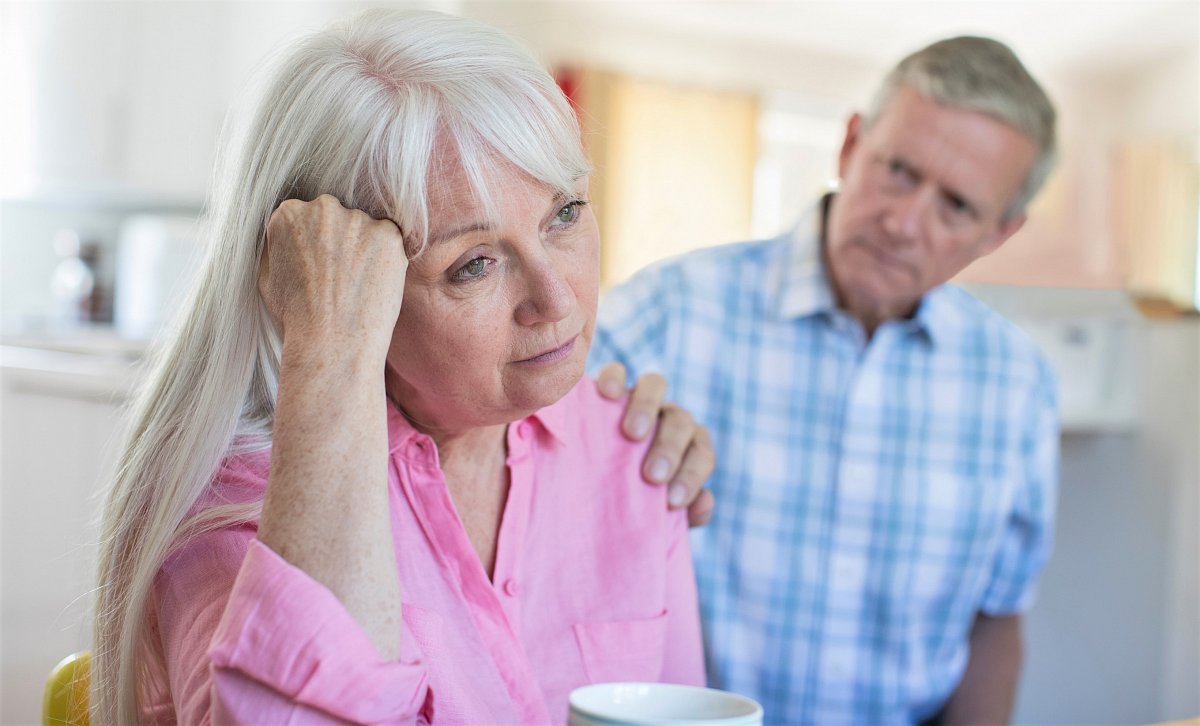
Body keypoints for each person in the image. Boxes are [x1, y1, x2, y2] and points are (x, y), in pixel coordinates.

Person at [92, 10, 713, 724]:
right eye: (473, 264)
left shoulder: (635, 451)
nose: (555, 296)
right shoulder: (240, 502)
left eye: (564, 213)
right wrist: (327, 349)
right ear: (345, 283)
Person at [590, 36, 1060, 725]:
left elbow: (996, 623)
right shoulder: (665, 316)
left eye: (955, 205)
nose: (903, 223)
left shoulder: (1017, 386)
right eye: (898, 169)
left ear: (999, 232)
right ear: (849, 145)